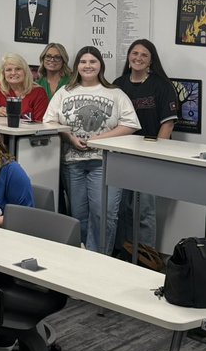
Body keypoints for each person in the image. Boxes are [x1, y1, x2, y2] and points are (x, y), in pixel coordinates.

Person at [43, 46, 140, 253]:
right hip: (72, 161)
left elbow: (131, 124)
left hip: (105, 163)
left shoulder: (115, 93)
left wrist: (99, 140)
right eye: (83, 62)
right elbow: (49, 121)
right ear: (77, 66)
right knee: (78, 216)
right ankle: (82, 257)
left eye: (93, 61)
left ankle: (99, 259)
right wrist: (70, 138)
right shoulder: (65, 92)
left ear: (100, 65)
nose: (88, 66)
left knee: (103, 214)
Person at [113, 39, 179, 252]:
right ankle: (123, 254)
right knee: (121, 209)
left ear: (151, 61)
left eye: (144, 55)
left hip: (148, 158)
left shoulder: (162, 86)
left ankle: (145, 259)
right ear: (128, 57)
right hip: (121, 156)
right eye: (135, 53)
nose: (138, 58)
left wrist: (155, 154)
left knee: (144, 212)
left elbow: (167, 125)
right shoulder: (118, 84)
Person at [0, 53, 49, 122]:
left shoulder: (38, 92)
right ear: (3, 73)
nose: (13, 73)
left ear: (25, 71)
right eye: (9, 70)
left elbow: (40, 124)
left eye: (18, 69)